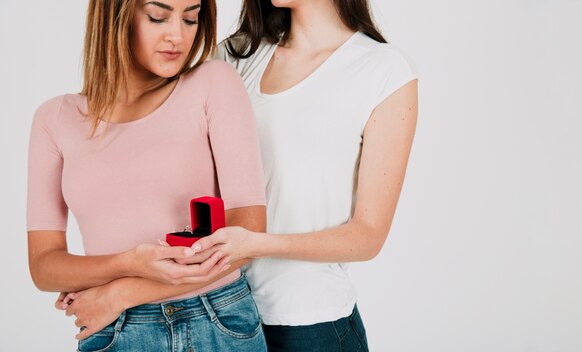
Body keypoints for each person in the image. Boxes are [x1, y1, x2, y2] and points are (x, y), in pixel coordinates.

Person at [27, 0, 268, 350]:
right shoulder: (54, 119)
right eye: (158, 17)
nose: (178, 36)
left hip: (216, 320)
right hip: (113, 331)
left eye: (190, 18)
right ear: (115, 16)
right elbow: (44, 267)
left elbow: (248, 236)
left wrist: (123, 291)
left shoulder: (213, 83)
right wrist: (128, 263)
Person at [185, 0, 418, 350]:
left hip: (313, 329)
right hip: (224, 318)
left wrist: (257, 244)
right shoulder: (235, 56)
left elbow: (367, 236)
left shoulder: (384, 71)